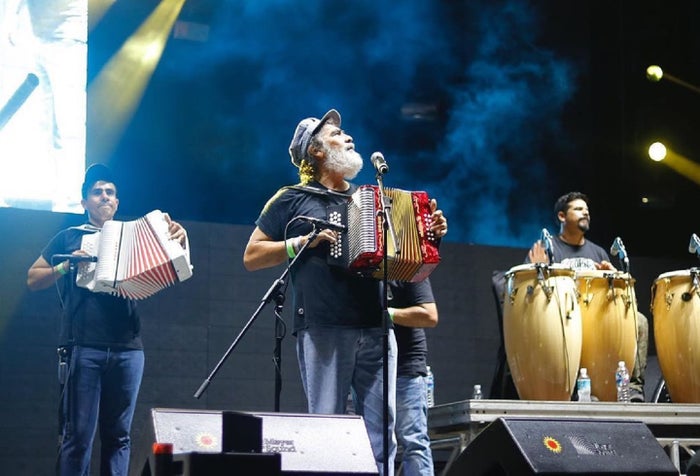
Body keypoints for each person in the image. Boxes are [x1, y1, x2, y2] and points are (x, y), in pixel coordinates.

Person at [242, 109, 447, 476]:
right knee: (328, 432)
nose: (348, 137)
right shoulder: (291, 198)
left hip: (376, 328)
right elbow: (252, 256)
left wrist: (428, 232)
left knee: (383, 436)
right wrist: (300, 242)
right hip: (325, 327)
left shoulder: (371, 200)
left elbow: (405, 254)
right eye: (336, 134)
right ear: (316, 151)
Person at [26, 164, 188, 475]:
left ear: (117, 202)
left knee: (119, 436)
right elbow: (33, 278)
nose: (105, 197)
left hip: (129, 348)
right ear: (84, 202)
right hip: (83, 345)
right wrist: (64, 266)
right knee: (78, 436)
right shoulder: (70, 236)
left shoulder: (133, 235)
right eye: (97, 192)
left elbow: (173, 258)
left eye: (110, 193)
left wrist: (177, 236)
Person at [527, 191, 648, 402]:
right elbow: (530, 294)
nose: (585, 213)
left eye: (587, 210)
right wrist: (536, 270)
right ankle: (574, 389)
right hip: (564, 317)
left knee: (639, 321)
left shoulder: (598, 253)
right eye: (578, 209)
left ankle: (632, 389)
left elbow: (615, 295)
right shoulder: (548, 249)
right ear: (562, 216)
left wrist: (615, 278)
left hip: (597, 315)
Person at [389, 279, 438, 476]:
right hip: (368, 369)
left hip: (405, 367)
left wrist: (386, 313)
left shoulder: (409, 269)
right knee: (374, 441)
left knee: (413, 441)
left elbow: (430, 315)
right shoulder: (359, 269)